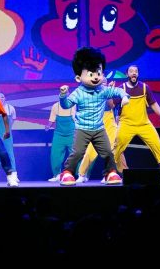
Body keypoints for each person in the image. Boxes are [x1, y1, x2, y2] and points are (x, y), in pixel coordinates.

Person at [57, 47, 129, 186]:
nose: (96, 77)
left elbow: (117, 91)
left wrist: (125, 96)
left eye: (98, 73)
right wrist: (63, 95)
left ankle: (110, 173)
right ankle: (67, 172)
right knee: (78, 153)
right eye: (91, 74)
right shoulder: (78, 93)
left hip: (99, 129)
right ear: (78, 78)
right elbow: (66, 105)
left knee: (108, 152)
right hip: (82, 129)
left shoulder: (103, 90)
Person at [114, 65, 160, 183]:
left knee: (157, 146)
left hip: (144, 124)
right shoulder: (121, 89)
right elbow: (112, 105)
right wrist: (109, 93)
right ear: (127, 74)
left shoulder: (144, 88)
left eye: (136, 71)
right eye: (131, 71)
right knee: (116, 148)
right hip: (126, 124)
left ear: (138, 74)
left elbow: (153, 103)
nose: (134, 73)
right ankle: (110, 173)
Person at [76, 86, 128, 183]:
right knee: (89, 152)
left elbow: (111, 105)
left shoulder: (108, 93)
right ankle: (81, 174)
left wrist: (108, 94)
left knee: (116, 150)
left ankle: (122, 173)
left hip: (110, 125)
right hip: (96, 126)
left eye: (104, 83)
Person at [45, 88, 77, 182]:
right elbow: (52, 119)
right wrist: (48, 126)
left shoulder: (74, 105)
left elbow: (76, 119)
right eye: (63, 94)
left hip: (71, 134)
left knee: (76, 155)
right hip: (59, 135)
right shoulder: (55, 106)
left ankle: (77, 175)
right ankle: (57, 175)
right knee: (55, 155)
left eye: (67, 93)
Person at [0, 92, 17, 183]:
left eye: (2, 97)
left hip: (7, 134)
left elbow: (13, 119)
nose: (0, 98)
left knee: (9, 153)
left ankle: (14, 174)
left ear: (5, 98)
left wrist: (8, 129)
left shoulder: (10, 108)